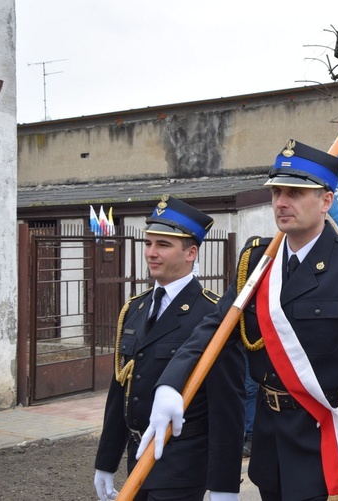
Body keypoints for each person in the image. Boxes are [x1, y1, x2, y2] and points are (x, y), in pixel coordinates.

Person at [136, 139, 338, 500]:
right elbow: (215, 327)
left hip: (327, 440)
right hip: (270, 444)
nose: (281, 202)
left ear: (326, 201)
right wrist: (171, 382)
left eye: (295, 192)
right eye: (277, 191)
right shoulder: (257, 261)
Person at [93, 195, 245, 501]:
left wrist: (224, 487)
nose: (151, 253)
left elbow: (228, 409)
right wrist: (106, 463)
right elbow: (119, 391)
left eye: (163, 245)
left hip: (184, 466)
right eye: (148, 244)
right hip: (137, 461)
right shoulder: (134, 309)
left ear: (191, 252)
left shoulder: (213, 315)